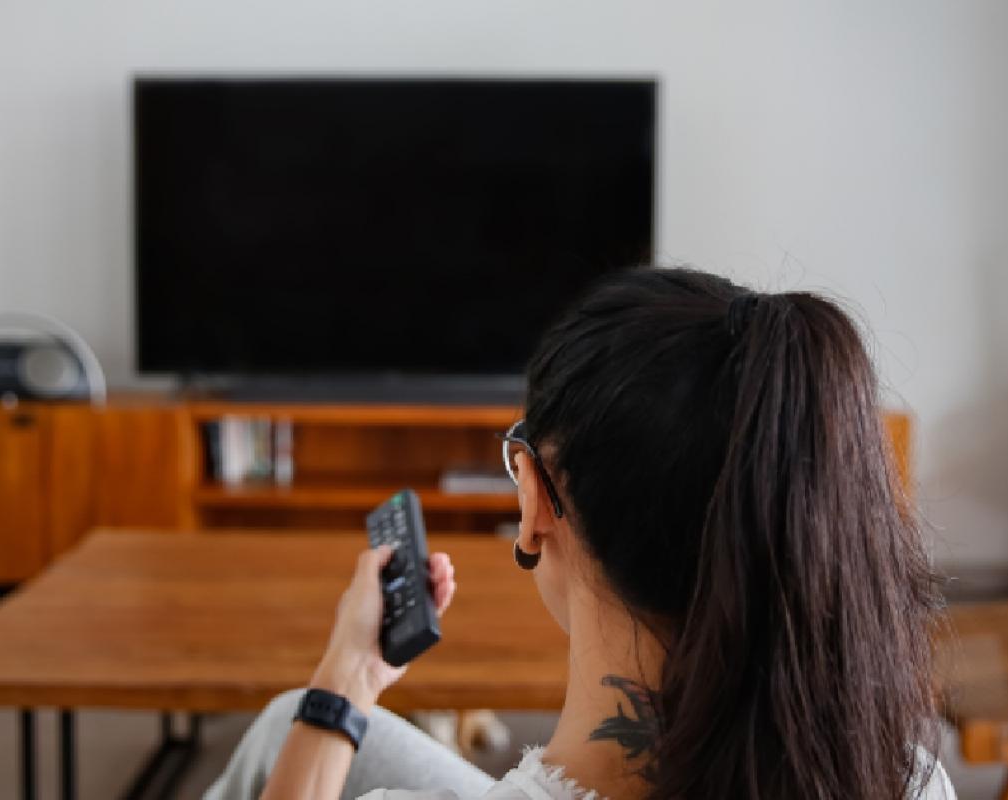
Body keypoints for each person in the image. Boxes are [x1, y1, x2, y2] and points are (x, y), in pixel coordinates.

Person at [205, 267, 955, 800]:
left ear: (534, 499)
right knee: (279, 726)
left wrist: (346, 678)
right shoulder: (913, 777)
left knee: (296, 726)